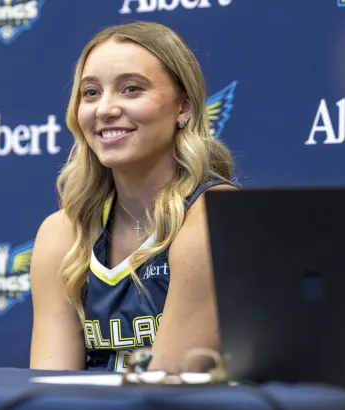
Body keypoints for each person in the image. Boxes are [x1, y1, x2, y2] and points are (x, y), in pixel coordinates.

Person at [28, 21, 238, 373]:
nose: (105, 109)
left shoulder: (215, 217)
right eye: (91, 93)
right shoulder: (62, 234)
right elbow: (51, 389)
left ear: (183, 107)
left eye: (131, 89)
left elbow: (166, 391)